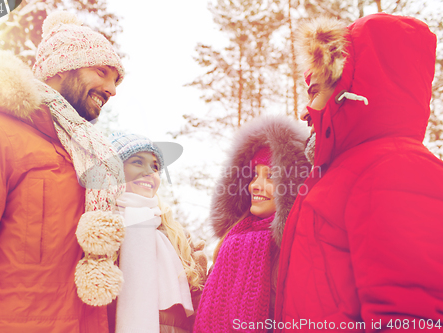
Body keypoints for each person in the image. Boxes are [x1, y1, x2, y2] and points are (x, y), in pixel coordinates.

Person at [0, 11, 127, 333]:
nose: (111, 89)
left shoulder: (87, 160)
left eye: (116, 80)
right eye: (101, 71)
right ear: (60, 67)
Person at [274, 13, 443, 331]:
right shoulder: (340, 175)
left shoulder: (395, 168)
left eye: (313, 91)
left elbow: (411, 317)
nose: (304, 111)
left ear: (347, 90)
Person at [193, 115, 310, 333]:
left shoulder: (298, 251)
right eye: (254, 176)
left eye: (271, 176)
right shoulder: (231, 242)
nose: (255, 186)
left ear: (292, 185)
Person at [109, 132, 207, 333]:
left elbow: (198, 304)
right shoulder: (101, 227)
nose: (149, 172)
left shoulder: (175, 234)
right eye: (138, 162)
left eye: (154, 167)